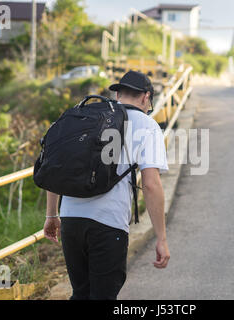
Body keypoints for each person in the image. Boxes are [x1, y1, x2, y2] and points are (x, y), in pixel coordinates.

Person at [43, 70, 170, 300]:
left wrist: (51, 215)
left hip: (71, 219)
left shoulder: (84, 116)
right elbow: (151, 185)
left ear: (119, 94)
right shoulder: (147, 126)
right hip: (108, 223)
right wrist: (161, 238)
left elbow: (57, 164)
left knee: (81, 293)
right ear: (146, 97)